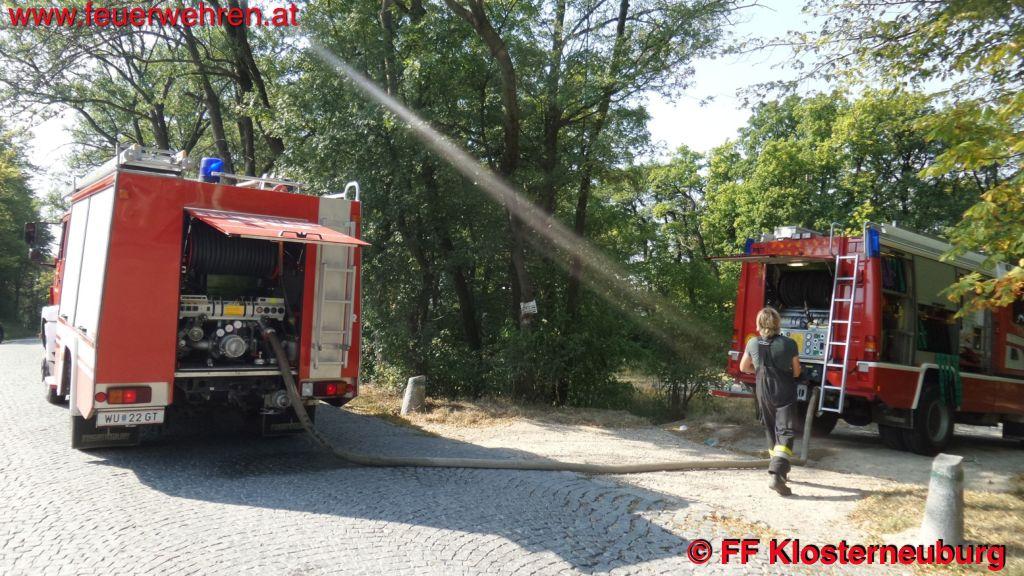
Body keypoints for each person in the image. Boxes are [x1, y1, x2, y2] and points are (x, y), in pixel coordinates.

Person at [739, 307, 801, 496]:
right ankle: (776, 474)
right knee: (785, 431)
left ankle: (778, 468)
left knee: (770, 427)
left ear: (759, 324)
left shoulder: (752, 343)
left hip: (763, 391)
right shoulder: (789, 344)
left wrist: (758, 370)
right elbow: (797, 372)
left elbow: (744, 367)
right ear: (777, 323)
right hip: (784, 390)